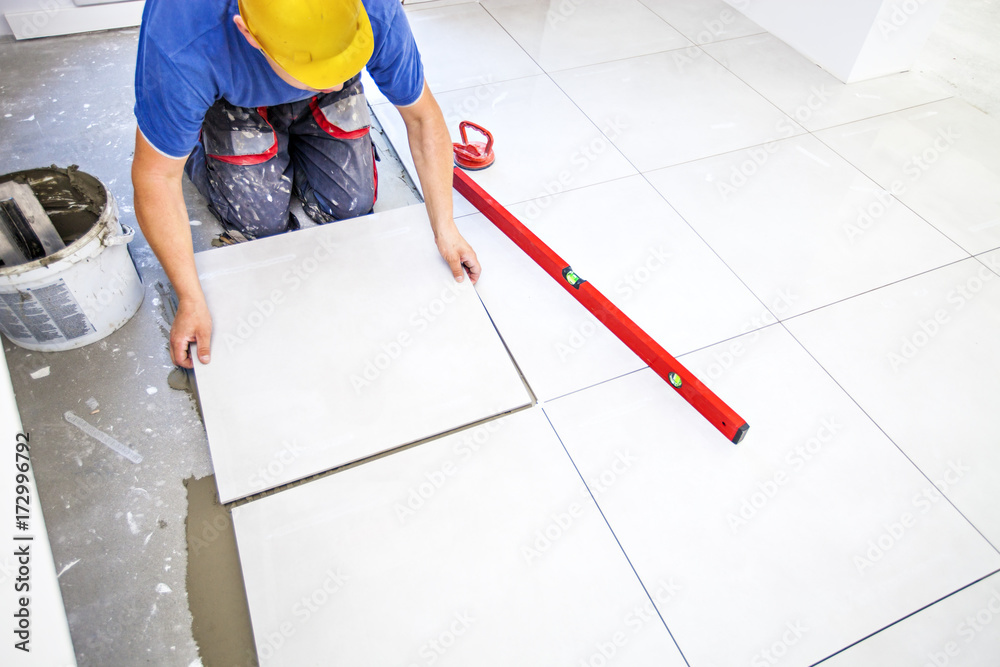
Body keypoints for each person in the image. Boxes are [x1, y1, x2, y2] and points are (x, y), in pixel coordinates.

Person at [131, 0, 481, 370]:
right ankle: (202, 138)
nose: (336, 79)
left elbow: (423, 118)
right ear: (248, 32)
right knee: (260, 221)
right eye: (320, 70)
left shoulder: (372, 8)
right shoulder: (185, 38)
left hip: (304, 72)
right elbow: (156, 176)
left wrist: (446, 229)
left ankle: (292, 125)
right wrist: (189, 297)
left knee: (351, 205)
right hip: (231, 99)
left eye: (344, 60)